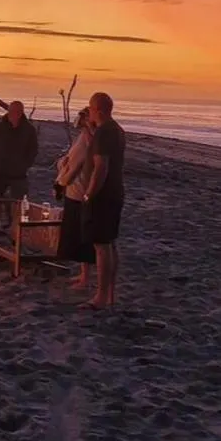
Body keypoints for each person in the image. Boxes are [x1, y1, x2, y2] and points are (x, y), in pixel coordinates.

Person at [81, 92, 126, 309]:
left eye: (90, 109)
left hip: (103, 195)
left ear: (98, 110)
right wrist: (88, 129)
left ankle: (100, 297)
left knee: (101, 246)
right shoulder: (116, 130)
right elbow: (98, 151)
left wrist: (89, 193)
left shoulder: (105, 132)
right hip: (115, 192)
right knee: (109, 243)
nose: (89, 112)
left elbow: (101, 167)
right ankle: (109, 295)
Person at [54, 107, 96, 286]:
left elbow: (74, 167)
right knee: (81, 234)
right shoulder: (87, 138)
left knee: (80, 235)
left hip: (78, 191)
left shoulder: (87, 140)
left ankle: (85, 276)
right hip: (79, 189)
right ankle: (83, 274)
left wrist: (61, 182)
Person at [0, 100, 39, 200]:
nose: (11, 114)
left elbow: (33, 149)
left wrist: (25, 165)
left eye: (15, 112)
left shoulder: (29, 129)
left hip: (19, 174)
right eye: (10, 111)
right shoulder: (1, 127)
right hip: (1, 171)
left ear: (20, 113)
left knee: (18, 202)